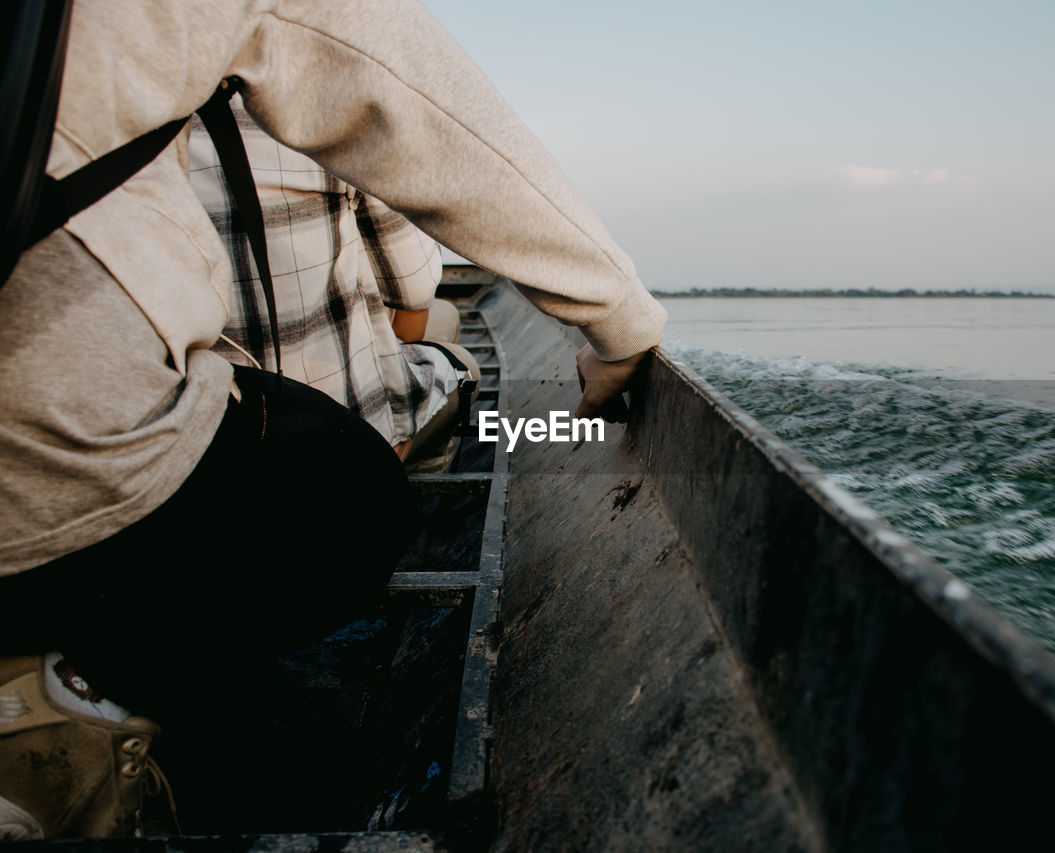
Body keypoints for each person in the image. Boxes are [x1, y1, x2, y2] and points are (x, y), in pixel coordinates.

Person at [0, 0, 665, 839]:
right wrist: (618, 316)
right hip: (71, 482)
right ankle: (70, 698)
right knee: (367, 484)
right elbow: (415, 286)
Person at [188, 95, 478, 466]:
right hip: (337, 439)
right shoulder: (329, 116)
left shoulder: (133, 132)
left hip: (204, 443)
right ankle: (408, 484)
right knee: (462, 360)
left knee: (441, 317)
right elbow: (413, 296)